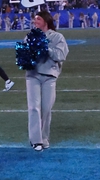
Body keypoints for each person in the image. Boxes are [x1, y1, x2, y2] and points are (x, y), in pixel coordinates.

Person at [22, 10, 68, 151]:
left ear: (46, 21)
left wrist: (45, 48)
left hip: (49, 76)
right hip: (33, 75)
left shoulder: (57, 37)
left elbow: (61, 55)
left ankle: (44, 138)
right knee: (34, 107)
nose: (35, 22)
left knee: (46, 109)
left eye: (38, 19)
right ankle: (36, 141)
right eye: (35, 19)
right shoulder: (29, 36)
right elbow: (23, 55)